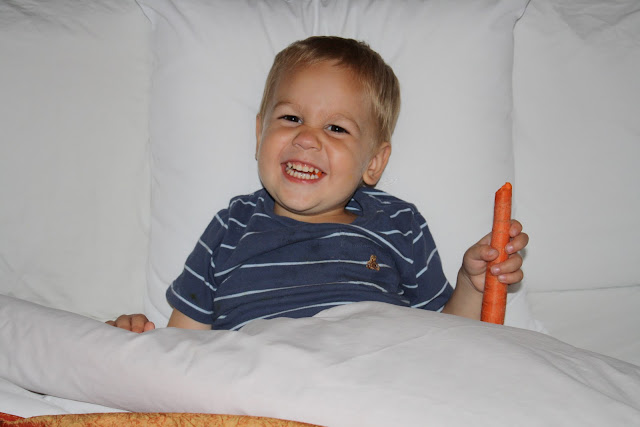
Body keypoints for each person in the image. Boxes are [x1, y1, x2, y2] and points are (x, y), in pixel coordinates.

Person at [108, 36, 528, 333]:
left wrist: (471, 285)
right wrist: (132, 344)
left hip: (373, 383)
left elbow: (445, 339)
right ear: (259, 134)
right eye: (291, 118)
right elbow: (182, 347)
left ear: (374, 163)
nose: (307, 138)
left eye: (336, 128)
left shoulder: (399, 224)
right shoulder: (231, 227)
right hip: (257, 390)